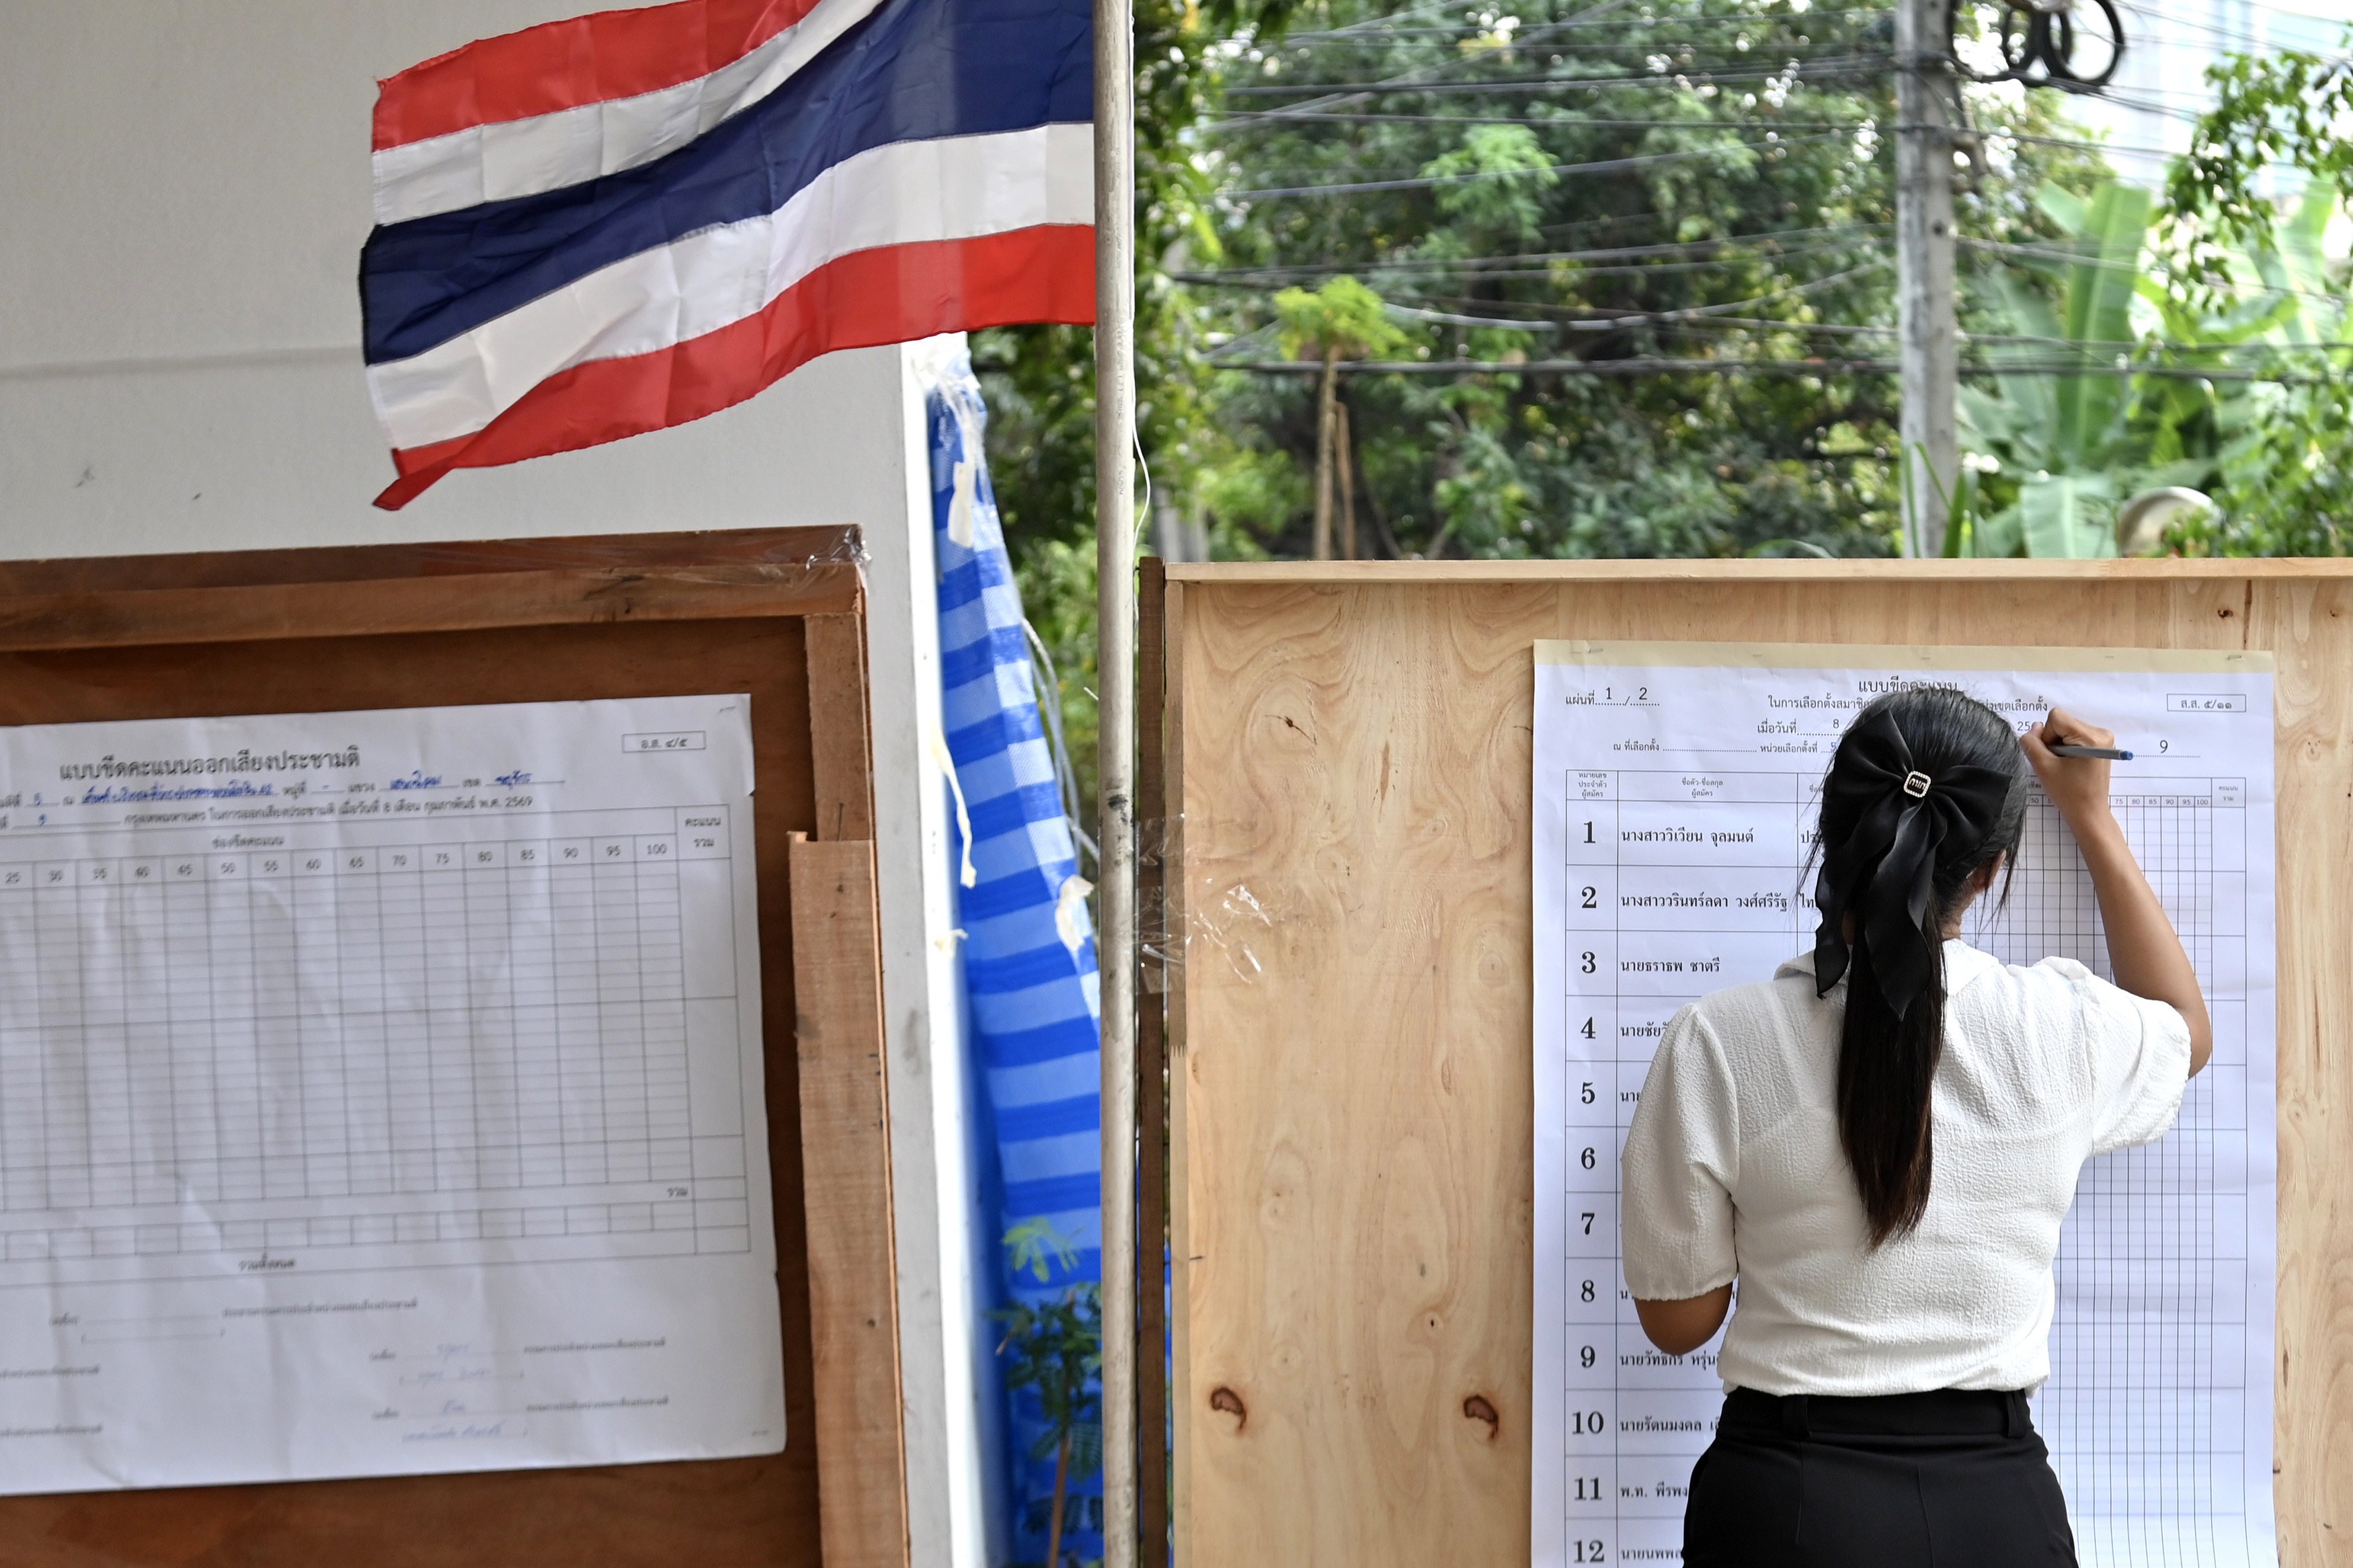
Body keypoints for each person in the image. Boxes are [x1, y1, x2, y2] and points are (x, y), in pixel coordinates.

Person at [1619, 687, 2210, 1567]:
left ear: (1833, 834)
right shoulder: (2065, 1026)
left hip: (1787, 1501)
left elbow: (1680, 1321)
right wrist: (2093, 820)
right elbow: (2184, 1031)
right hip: (1996, 1510)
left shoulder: (1718, 1038)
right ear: (1991, 868)